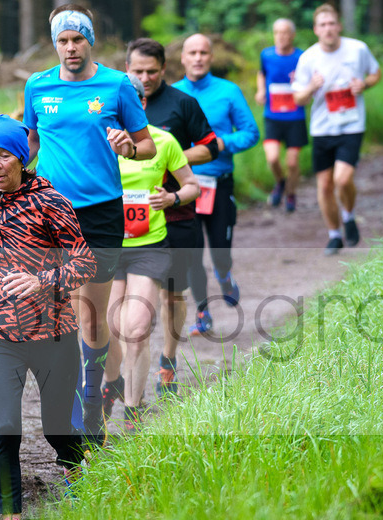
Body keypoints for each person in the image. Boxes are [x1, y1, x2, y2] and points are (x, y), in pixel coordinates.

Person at [0, 116, 96, 520]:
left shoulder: (52, 202)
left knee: (56, 427)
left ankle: (80, 476)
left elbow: (85, 263)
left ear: (22, 156)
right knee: (6, 428)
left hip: (53, 333)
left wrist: (42, 279)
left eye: (3, 155)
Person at [23, 4, 154, 448]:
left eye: (78, 39)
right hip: (51, 212)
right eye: (63, 40)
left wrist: (128, 148)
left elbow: (147, 146)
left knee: (92, 315)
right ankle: (85, 411)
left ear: (90, 40)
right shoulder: (37, 86)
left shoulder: (117, 85)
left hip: (101, 212)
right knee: (67, 312)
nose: (70, 47)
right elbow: (32, 141)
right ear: (54, 43)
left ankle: (94, 410)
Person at [123, 37, 219, 399]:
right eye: (137, 71)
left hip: (176, 211)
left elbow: (211, 146)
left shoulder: (182, 103)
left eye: (151, 72)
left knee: (172, 296)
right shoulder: (118, 102)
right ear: (126, 69)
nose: (145, 78)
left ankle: (168, 359)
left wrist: (171, 159)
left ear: (164, 70)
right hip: (130, 222)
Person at [102, 75, 199, 430]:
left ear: (140, 105)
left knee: (137, 328)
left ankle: (132, 410)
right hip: (107, 245)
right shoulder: (94, 143)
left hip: (149, 246)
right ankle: (116, 383)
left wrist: (171, 198)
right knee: (109, 328)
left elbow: (192, 186)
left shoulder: (163, 141)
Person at [174, 33, 259, 336]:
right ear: (182, 58)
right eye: (192, 52)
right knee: (192, 254)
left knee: (220, 250)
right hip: (186, 185)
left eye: (203, 53)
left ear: (211, 58)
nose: (197, 58)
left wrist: (221, 144)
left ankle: (224, 274)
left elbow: (251, 133)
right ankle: (202, 312)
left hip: (219, 184)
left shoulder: (229, 91)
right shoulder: (173, 95)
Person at [293, 3, 381, 256]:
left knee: (342, 179)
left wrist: (364, 84)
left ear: (339, 26)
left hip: (351, 124)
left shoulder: (357, 49)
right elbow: (298, 98)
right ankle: (334, 234)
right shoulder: (308, 58)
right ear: (315, 29)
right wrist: (311, 87)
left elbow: (376, 73)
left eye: (332, 23)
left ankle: (349, 215)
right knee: (324, 186)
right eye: (323, 25)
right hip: (322, 128)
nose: (328, 29)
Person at [256, 18, 306, 212]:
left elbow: (309, 80)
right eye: (277, 32)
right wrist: (261, 90)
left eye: (285, 32)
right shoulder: (266, 54)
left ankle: (291, 194)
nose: (281, 36)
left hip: (295, 117)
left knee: (292, 162)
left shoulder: (302, 57)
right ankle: (281, 182)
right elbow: (262, 73)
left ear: (292, 35)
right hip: (273, 115)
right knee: (272, 158)